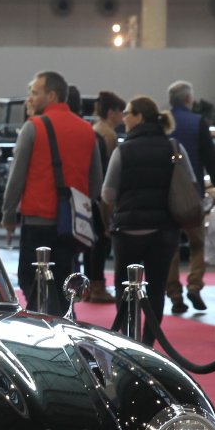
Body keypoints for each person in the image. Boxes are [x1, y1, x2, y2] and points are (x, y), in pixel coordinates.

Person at [0, 71, 101, 316]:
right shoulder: (87, 130)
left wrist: (9, 215)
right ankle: (63, 323)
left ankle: (41, 323)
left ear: (52, 95)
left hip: (37, 221)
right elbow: (96, 181)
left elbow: (16, 177)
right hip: (71, 226)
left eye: (35, 93)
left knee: (30, 280)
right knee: (65, 283)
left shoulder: (33, 127)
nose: (30, 98)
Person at [101, 96, 196, 342]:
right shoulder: (174, 147)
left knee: (125, 287)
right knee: (156, 288)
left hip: (128, 229)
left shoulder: (123, 150)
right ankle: (148, 342)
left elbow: (107, 194)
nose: (124, 117)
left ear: (139, 117)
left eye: (128, 113)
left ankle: (128, 339)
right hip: (164, 230)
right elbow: (191, 182)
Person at [163, 80, 215, 315]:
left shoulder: (163, 122)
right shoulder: (198, 122)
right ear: (189, 99)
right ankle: (195, 284)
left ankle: (174, 294)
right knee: (198, 243)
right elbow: (210, 158)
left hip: (166, 195)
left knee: (171, 247)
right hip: (192, 194)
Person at [81, 91, 127, 304]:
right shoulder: (108, 135)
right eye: (121, 112)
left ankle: (90, 285)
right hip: (101, 195)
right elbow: (110, 171)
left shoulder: (94, 129)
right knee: (101, 240)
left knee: (91, 241)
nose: (123, 116)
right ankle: (97, 286)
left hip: (89, 193)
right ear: (112, 112)